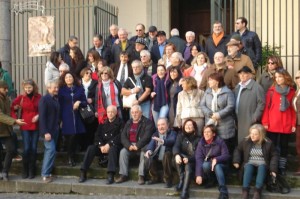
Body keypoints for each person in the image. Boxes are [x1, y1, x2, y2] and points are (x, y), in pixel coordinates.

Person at [261, 68, 296, 175]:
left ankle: (282, 167)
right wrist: (265, 122)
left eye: (280, 76)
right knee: (273, 145)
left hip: (286, 122)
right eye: (276, 77)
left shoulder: (291, 91)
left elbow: (292, 109)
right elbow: (266, 108)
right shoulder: (271, 91)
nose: (278, 79)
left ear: (285, 77)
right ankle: (273, 166)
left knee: (284, 146)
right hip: (273, 123)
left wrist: (293, 123)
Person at [79, 105, 123, 184]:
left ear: (116, 113)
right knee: (91, 148)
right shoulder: (103, 123)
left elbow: (120, 136)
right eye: (108, 112)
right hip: (103, 147)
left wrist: (109, 144)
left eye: (112, 112)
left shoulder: (120, 123)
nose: (110, 114)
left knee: (113, 149)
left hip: (114, 147)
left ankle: (110, 174)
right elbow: (97, 135)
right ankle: (83, 171)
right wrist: (101, 145)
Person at [233, 124, 278, 199]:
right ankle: (245, 191)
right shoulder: (246, 141)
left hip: (262, 163)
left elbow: (275, 155)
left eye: (255, 134)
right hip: (249, 162)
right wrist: (236, 161)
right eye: (251, 133)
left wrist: (273, 169)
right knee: (248, 167)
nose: (252, 136)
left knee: (262, 168)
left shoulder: (268, 143)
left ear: (261, 135)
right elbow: (237, 150)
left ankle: (257, 191)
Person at [115, 105, 155, 185]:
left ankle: (141, 176)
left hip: (142, 145)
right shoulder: (129, 122)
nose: (134, 114)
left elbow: (147, 136)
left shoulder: (148, 122)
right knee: (123, 152)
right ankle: (123, 175)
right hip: (130, 146)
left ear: (141, 113)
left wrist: (138, 145)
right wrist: (128, 145)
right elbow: (123, 136)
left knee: (144, 152)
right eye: (132, 112)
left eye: (136, 112)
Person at [11, 79, 41, 179]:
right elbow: (11, 107)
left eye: (30, 87)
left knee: (33, 148)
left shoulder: (39, 97)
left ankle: (32, 170)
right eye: (26, 88)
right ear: (24, 88)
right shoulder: (21, 97)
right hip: (25, 125)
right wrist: (15, 120)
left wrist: (39, 116)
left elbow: (43, 108)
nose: (28, 89)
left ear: (33, 87)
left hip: (36, 125)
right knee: (27, 148)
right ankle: (25, 170)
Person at [200, 73, 236, 155]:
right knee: (213, 147)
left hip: (225, 123)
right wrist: (210, 114)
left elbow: (231, 106)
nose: (208, 82)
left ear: (217, 82)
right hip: (210, 122)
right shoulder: (207, 92)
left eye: (210, 80)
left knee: (225, 147)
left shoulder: (228, 92)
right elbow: (202, 105)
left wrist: (219, 115)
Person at [58, 72, 87, 167]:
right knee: (69, 136)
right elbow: (59, 105)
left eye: (70, 76)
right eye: (66, 77)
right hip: (66, 116)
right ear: (64, 80)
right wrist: (60, 118)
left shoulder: (79, 89)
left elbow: (85, 102)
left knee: (75, 135)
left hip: (77, 115)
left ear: (73, 78)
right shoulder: (61, 90)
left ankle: (72, 155)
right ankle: (70, 157)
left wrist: (79, 102)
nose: (69, 78)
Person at [195, 124, 230, 199]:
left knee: (217, 166)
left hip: (222, 165)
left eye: (208, 132)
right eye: (204, 132)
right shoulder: (201, 143)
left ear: (213, 134)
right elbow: (199, 159)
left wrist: (216, 159)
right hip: (209, 164)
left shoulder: (220, 141)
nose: (206, 134)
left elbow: (226, 155)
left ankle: (223, 192)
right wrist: (199, 175)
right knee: (205, 165)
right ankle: (211, 180)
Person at [0, 80, 26, 181]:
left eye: (7, 89)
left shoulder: (6, 98)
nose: (6, 90)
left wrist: (14, 108)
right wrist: (14, 121)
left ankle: (5, 171)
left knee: (11, 149)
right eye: (4, 89)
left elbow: (7, 111)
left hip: (7, 130)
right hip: (4, 128)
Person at [235, 66, 265, 143]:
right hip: (238, 118)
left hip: (249, 120)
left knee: (249, 142)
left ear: (250, 75)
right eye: (240, 73)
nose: (242, 75)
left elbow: (261, 103)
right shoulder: (237, 87)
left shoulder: (257, 87)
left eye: (245, 73)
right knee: (241, 142)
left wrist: (254, 117)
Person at [144, 118, 177, 187]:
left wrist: (163, 141)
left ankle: (168, 179)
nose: (160, 127)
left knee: (167, 154)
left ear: (167, 125)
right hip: (157, 157)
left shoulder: (172, 133)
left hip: (168, 159)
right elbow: (151, 144)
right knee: (148, 155)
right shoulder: (155, 134)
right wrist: (149, 151)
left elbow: (172, 141)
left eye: (163, 124)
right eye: (158, 125)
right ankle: (154, 177)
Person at [173, 119, 200, 199]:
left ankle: (185, 191)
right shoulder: (180, 135)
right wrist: (177, 154)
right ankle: (181, 180)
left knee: (188, 167)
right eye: (186, 125)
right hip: (182, 158)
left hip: (193, 161)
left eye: (190, 125)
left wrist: (189, 159)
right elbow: (176, 146)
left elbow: (199, 154)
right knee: (176, 159)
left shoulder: (199, 138)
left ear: (194, 128)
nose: (187, 126)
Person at [39, 80, 60, 183]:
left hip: (55, 129)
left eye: (57, 87)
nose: (56, 89)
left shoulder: (55, 99)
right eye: (54, 87)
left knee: (52, 151)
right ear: (48, 88)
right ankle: (45, 174)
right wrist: (45, 132)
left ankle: (49, 173)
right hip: (48, 131)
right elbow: (42, 117)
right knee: (50, 150)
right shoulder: (44, 99)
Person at [80, 68, 98, 149]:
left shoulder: (95, 83)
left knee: (91, 127)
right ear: (83, 74)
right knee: (82, 127)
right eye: (87, 73)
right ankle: (82, 146)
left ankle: (90, 145)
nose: (89, 75)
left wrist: (92, 99)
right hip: (81, 108)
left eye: (90, 73)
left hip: (92, 108)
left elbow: (98, 95)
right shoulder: (78, 83)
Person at [293, 71, 300, 175]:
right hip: (298, 122)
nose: (299, 79)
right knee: (298, 145)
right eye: (297, 77)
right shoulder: (297, 91)